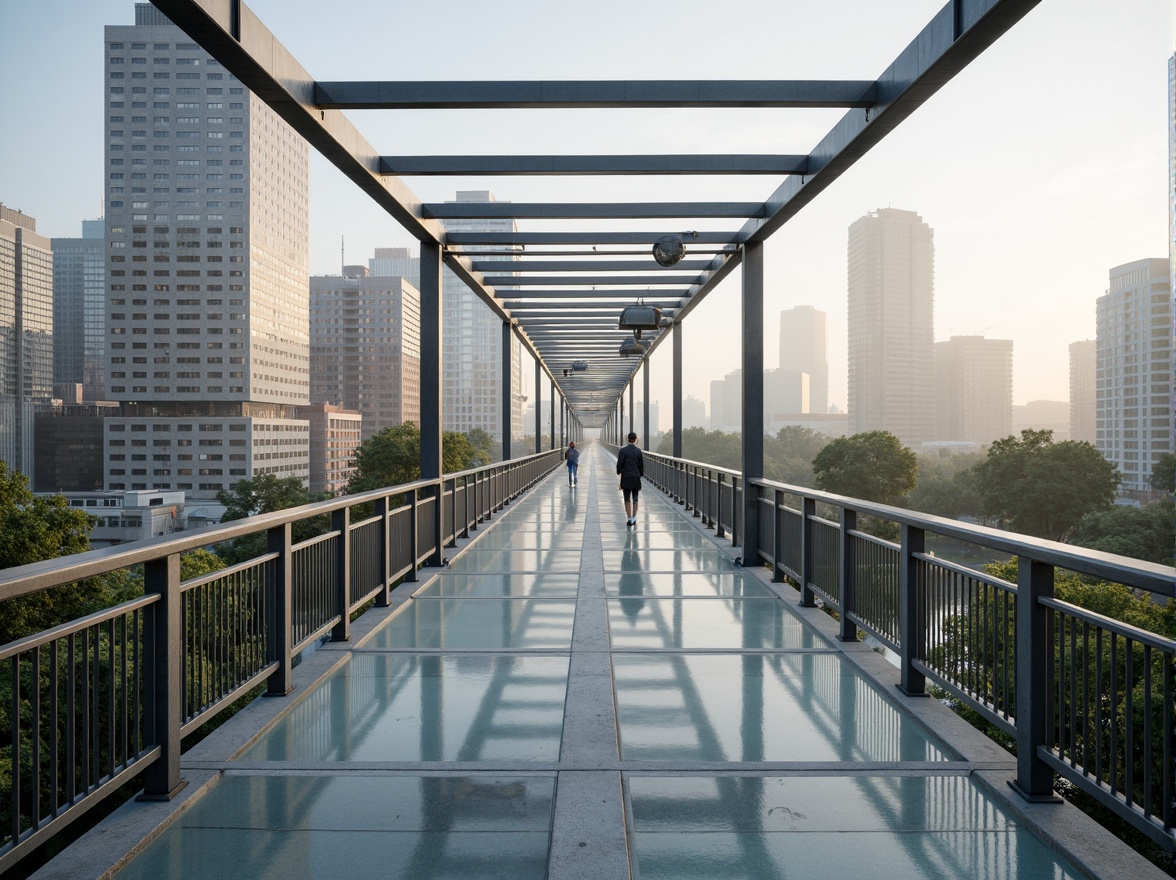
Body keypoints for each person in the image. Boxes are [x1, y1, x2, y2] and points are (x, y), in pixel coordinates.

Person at [616, 431, 644, 527]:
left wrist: (619, 471)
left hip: (626, 477)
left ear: (627, 439)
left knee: (627, 498)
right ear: (636, 439)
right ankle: (634, 517)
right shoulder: (638, 451)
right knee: (635, 497)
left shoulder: (623, 451)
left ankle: (629, 518)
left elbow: (620, 464)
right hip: (635, 477)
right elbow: (641, 465)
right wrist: (640, 474)